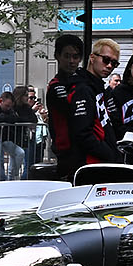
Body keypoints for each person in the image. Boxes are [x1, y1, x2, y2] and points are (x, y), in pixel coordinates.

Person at [44, 33, 111, 179]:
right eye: (67, 56)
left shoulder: (82, 83)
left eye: (75, 57)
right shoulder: (57, 87)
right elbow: (75, 117)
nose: (71, 61)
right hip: (67, 154)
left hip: (82, 152)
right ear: (57, 56)